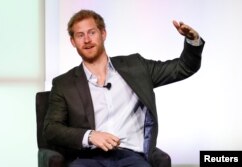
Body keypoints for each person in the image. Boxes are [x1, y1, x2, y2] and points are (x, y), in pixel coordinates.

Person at [44, 9, 205, 167]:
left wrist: (193, 41)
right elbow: (51, 129)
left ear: (103, 34)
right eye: (80, 35)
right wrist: (90, 136)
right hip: (88, 158)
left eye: (92, 32)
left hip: (132, 157)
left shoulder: (136, 67)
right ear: (73, 42)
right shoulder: (63, 84)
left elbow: (183, 67)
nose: (87, 40)